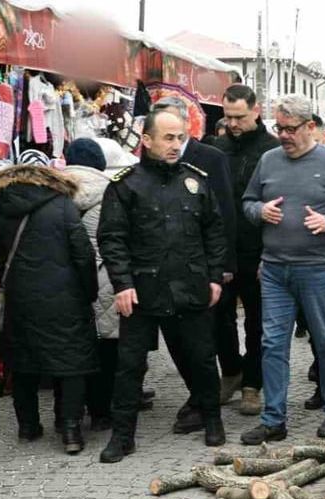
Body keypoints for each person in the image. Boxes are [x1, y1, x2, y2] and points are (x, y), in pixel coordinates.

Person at [96, 108, 228, 463]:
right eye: (168, 138)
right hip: (142, 289)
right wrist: (122, 283)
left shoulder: (196, 182)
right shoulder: (126, 185)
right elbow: (112, 238)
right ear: (147, 140)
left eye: (180, 138)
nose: (175, 145)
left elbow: (215, 232)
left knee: (201, 357)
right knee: (130, 366)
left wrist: (215, 276)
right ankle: (123, 437)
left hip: (190, 285)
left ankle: (213, 421)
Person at [240, 94, 325, 445]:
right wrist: (260, 211)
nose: (283, 135)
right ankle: (273, 419)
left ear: (310, 127)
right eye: (278, 127)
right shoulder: (268, 161)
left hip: (320, 270)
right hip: (275, 271)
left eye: (290, 128)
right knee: (272, 345)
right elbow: (248, 203)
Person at [0, 163, 99, 456]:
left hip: (21, 299)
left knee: (23, 361)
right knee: (71, 362)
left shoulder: (3, 207)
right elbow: (83, 253)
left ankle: (28, 425)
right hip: (66, 297)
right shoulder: (63, 205)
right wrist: (88, 291)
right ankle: (71, 429)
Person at [151, 96, 243, 430]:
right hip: (164, 269)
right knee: (174, 335)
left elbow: (225, 214)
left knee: (207, 333)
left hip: (203, 265)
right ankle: (199, 394)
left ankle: (207, 398)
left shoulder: (210, 157)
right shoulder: (149, 159)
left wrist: (225, 264)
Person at [213, 84, 279, 417]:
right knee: (218, 316)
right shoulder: (216, 148)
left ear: (256, 110)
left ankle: (252, 384)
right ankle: (232, 370)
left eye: (239, 117)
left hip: (258, 251)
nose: (233, 124)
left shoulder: (273, 150)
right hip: (222, 251)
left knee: (257, 322)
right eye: (228, 117)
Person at [63, 138, 120, 432]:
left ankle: (69, 413)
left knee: (71, 348)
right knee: (107, 349)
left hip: (66, 283)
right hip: (106, 280)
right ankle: (102, 412)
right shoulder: (113, 192)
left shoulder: (53, 193)